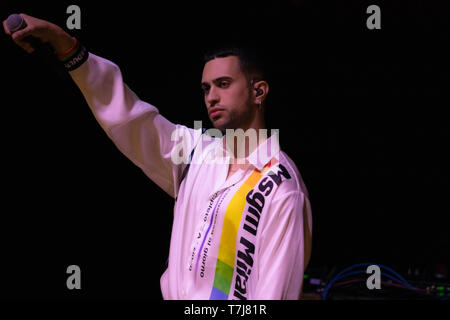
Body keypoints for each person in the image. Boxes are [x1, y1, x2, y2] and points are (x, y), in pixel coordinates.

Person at [3, 13, 312, 300]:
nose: (211, 97)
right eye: (206, 88)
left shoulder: (281, 185)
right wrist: (64, 44)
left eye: (223, 84)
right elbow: (128, 117)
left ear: (259, 92)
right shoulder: (197, 153)